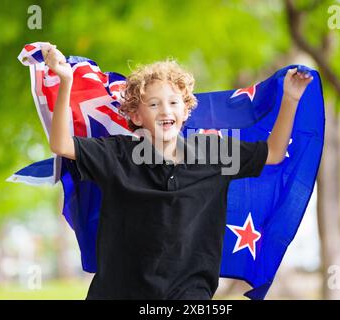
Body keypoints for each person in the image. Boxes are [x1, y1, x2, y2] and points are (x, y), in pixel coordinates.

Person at [42, 43, 313, 299]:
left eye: (173, 103)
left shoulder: (214, 152)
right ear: (136, 116)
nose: (164, 110)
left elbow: (274, 153)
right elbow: (61, 144)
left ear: (185, 111)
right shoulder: (117, 154)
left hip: (190, 294)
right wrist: (66, 81)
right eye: (153, 104)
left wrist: (290, 99)